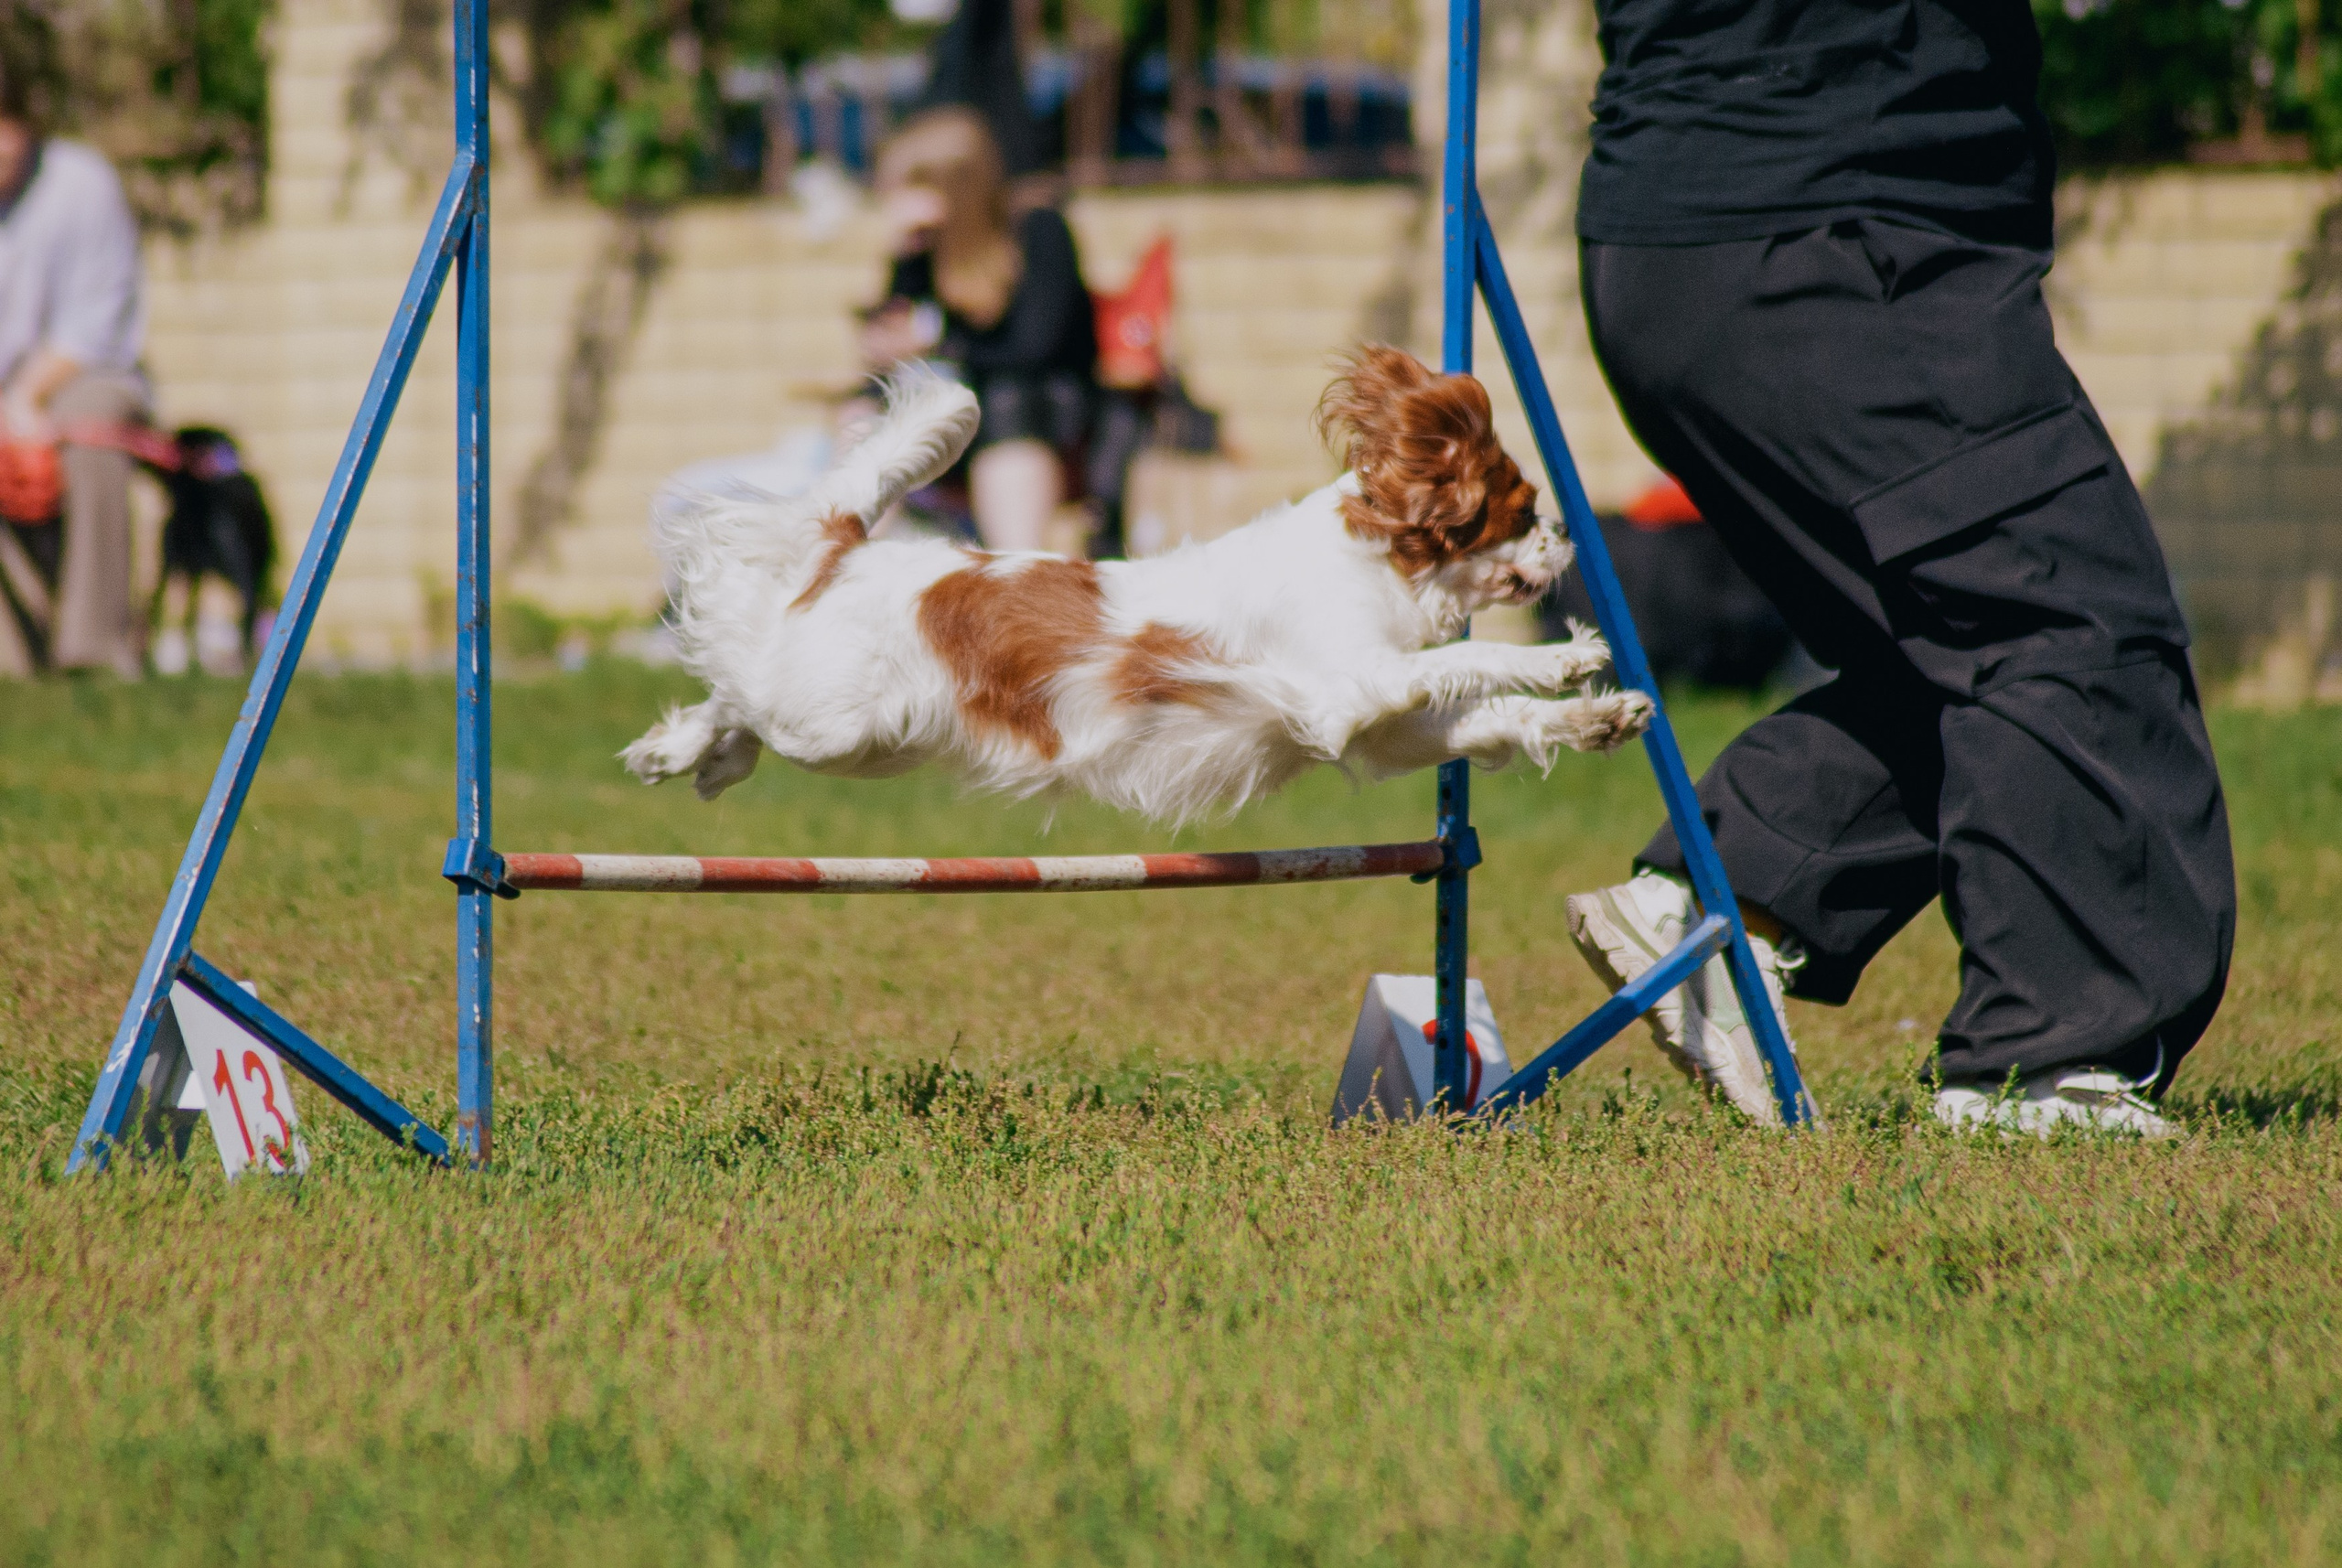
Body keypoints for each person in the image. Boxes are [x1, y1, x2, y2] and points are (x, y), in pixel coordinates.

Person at [1560, 0, 2235, 1135]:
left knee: (1953, 636)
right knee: (2066, 616)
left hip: (1675, 242)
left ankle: (1727, 904)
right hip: (1836, 229)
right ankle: (2045, 1069)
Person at [861, 106, 1099, 553]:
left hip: (1041, 414)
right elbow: (893, 324)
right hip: (957, 417)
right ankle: (859, 566)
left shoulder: (1038, 231)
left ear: (953, 186)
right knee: (865, 407)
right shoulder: (927, 247)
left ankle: (1014, 574)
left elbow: (1036, 348)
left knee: (1008, 403)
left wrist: (937, 340)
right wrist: (904, 255)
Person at [0, 68, 150, 678]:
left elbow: (95, 321)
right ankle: (11, 657)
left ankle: (92, 648)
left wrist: (25, 399)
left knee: (87, 429)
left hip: (87, 375)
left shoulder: (81, 185)